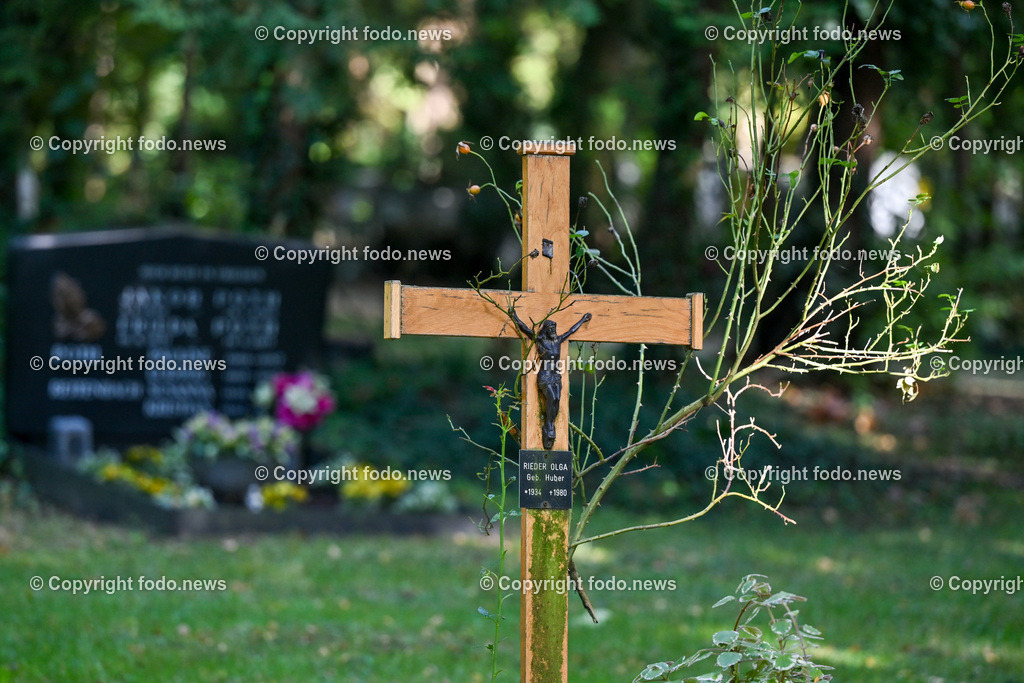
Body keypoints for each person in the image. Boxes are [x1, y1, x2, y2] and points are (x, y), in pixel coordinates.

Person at [508, 306, 591, 449]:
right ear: (546, 330)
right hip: (545, 376)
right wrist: (514, 316)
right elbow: (525, 329)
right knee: (552, 398)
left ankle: (550, 424)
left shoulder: (558, 340)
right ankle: (549, 426)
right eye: (551, 329)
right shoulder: (541, 340)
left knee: (557, 399)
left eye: (554, 329)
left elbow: (571, 331)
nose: (554, 332)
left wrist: (583, 320)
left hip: (556, 376)